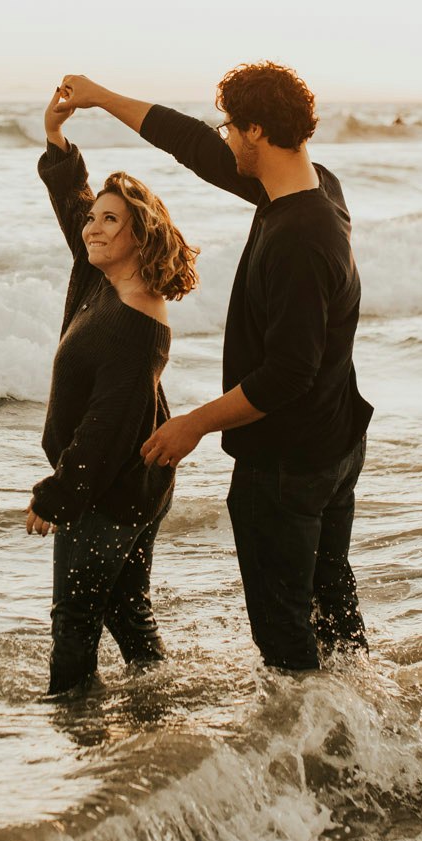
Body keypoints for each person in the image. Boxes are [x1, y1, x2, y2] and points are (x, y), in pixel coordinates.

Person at [58, 63, 371, 674]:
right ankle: (362, 724)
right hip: (332, 443)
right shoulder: (315, 188)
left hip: (287, 465)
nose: (223, 137)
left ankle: (314, 753)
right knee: (332, 606)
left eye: (230, 127)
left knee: (285, 637)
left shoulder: (300, 238)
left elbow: (288, 374)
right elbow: (193, 147)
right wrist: (100, 97)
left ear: (256, 131)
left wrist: (192, 425)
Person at [26, 84, 200, 697]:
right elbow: (73, 203)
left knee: (75, 620)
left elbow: (105, 429)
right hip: (131, 482)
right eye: (93, 218)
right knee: (127, 610)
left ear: (139, 237)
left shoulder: (136, 329)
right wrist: (56, 140)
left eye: (109, 221)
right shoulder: (103, 278)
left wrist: (56, 495)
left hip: (110, 490)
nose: (92, 228)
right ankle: (159, 708)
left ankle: (73, 728)